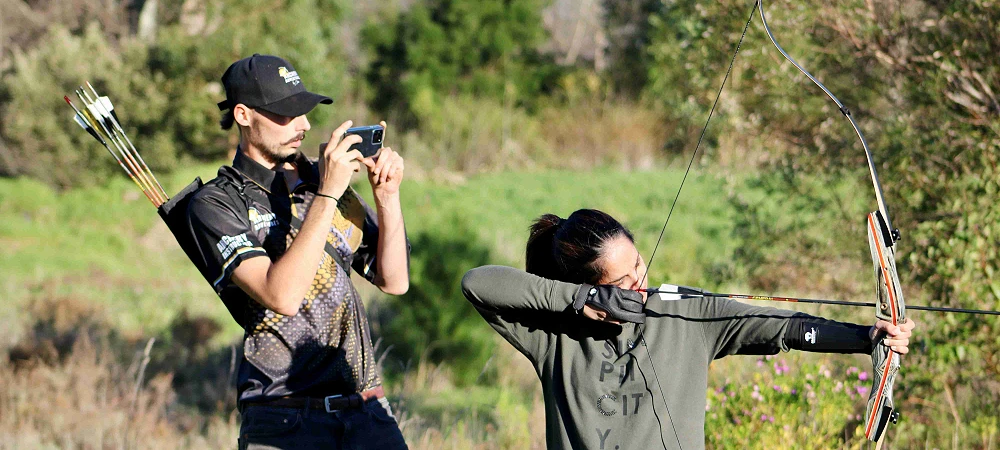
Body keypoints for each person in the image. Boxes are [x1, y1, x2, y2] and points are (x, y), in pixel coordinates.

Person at [461, 209, 916, 450]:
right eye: (621, 283)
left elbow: (784, 328)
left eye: (639, 264)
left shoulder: (683, 315)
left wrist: (866, 339)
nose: (640, 281)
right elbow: (477, 283)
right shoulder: (553, 337)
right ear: (588, 288)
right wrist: (581, 303)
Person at [185, 54, 409, 449]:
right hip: (285, 419)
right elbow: (281, 296)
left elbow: (394, 280)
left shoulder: (319, 181)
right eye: (286, 114)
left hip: (367, 411)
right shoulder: (216, 204)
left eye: (304, 112)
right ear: (243, 115)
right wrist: (328, 193)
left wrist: (386, 196)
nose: (304, 125)